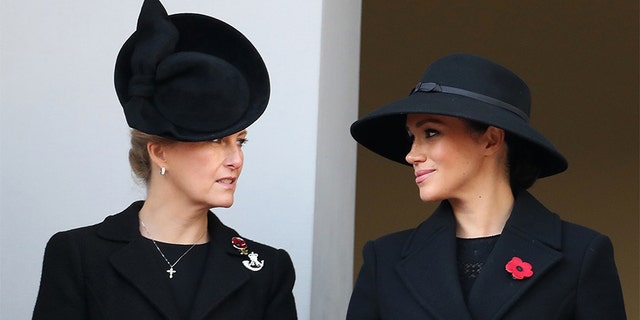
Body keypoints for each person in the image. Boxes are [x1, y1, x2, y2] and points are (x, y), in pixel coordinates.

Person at [32, 0, 297, 319]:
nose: (236, 159)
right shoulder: (80, 256)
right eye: (216, 140)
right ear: (159, 152)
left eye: (239, 142)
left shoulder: (265, 270)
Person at [346, 53, 626, 319]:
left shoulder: (581, 256)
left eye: (431, 133)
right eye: (412, 137)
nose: (411, 154)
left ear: (491, 140)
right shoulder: (384, 260)